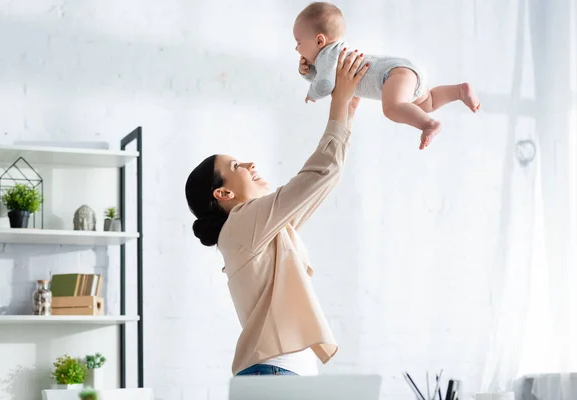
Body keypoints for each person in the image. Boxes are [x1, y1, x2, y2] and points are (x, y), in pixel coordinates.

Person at [185, 49, 369, 376]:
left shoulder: (264, 228)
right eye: (236, 166)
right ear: (223, 193)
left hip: (280, 373)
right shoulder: (242, 224)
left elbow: (326, 177)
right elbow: (319, 174)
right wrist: (337, 105)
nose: (250, 164)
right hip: (275, 373)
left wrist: (347, 113)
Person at [294, 1, 481, 150]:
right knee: (428, 101)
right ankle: (458, 91)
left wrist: (312, 94)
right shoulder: (332, 56)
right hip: (402, 72)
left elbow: (325, 83)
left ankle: (428, 124)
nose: (297, 48)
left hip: (391, 75)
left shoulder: (329, 54)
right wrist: (308, 72)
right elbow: (327, 77)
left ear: (320, 40)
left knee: (392, 108)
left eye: (299, 42)